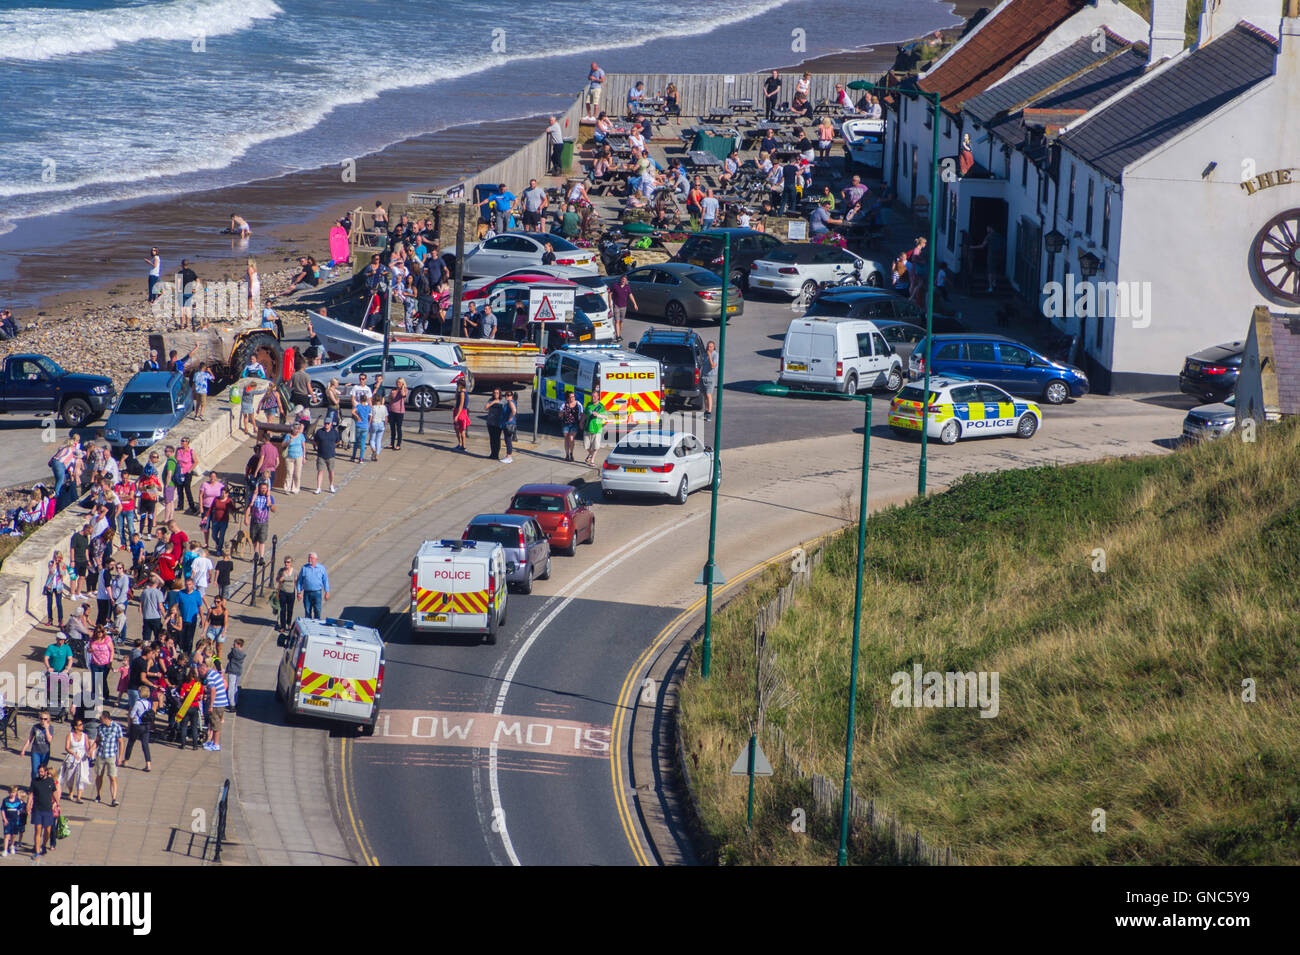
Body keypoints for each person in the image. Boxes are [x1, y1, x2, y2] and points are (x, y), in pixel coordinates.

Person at [91, 710, 124, 807]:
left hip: (111, 755)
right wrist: (91, 749)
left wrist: (120, 757)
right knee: (99, 776)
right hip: (100, 755)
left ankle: (114, 798)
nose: (100, 720)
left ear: (106, 718)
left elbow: (121, 742)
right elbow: (97, 741)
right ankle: (98, 795)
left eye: (101, 719)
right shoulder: (100, 727)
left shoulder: (116, 727)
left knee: (112, 777)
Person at [166, 576, 205, 653]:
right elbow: (176, 606)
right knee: (182, 639)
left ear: (193, 584)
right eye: (186, 584)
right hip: (182, 620)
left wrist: (202, 620)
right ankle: (183, 653)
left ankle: (188, 654)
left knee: (190, 639)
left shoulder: (197, 594)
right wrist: (172, 615)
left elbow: (200, 608)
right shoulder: (180, 593)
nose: (188, 586)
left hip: (192, 621)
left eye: (190, 584)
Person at [198, 660, 230, 752]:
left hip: (217, 703)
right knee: (213, 723)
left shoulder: (210, 677)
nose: (200, 675)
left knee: (216, 724)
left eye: (200, 672)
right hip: (222, 701)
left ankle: (216, 744)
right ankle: (212, 742)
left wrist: (211, 705)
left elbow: (213, 690)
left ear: (203, 669)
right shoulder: (213, 673)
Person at [28, 763, 58, 856]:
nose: (40, 773)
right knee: (38, 830)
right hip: (37, 809)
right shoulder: (35, 781)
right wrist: (28, 805)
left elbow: (54, 792)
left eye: (42, 771)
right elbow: (31, 794)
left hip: (48, 809)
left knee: (48, 830)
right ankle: (37, 851)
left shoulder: (50, 781)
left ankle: (44, 845)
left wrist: (57, 803)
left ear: (45, 772)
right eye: (39, 771)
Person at [244, 481, 276, 565]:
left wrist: (270, 504)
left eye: (265, 489)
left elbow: (274, 509)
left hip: (264, 521)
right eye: (262, 488)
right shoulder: (254, 497)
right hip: (254, 520)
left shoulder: (269, 497)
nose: (263, 490)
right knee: (254, 538)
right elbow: (249, 507)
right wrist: (246, 518)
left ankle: (262, 557)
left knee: (262, 539)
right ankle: (256, 553)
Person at [59, 718, 91, 803]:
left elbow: (87, 747)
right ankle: (71, 793)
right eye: (80, 725)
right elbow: (67, 747)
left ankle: (79, 797)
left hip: (82, 757)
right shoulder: (70, 735)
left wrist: (89, 753)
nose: (82, 726)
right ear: (75, 727)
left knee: (81, 776)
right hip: (72, 757)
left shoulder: (85, 736)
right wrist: (73, 753)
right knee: (70, 776)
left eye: (82, 724)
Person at [123, 690, 153, 772]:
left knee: (131, 742)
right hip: (146, 725)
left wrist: (130, 723)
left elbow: (132, 714)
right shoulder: (149, 703)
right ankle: (148, 764)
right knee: (145, 744)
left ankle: (126, 760)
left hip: (137, 724)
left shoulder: (138, 703)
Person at [21, 710, 55, 782]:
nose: (43, 720)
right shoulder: (35, 727)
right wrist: (23, 749)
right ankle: (33, 786)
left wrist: (46, 728)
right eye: (41, 718)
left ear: (48, 720)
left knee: (43, 771)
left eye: (45, 719)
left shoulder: (50, 728)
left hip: (45, 752)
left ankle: (41, 785)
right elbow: (30, 739)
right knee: (35, 771)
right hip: (35, 751)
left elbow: (49, 740)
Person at [970, 223, 1005, 292]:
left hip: (991, 255)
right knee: (995, 269)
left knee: (990, 271)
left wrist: (972, 247)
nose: (987, 229)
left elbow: (982, 246)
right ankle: (994, 282)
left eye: (987, 228)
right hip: (998, 255)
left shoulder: (989, 236)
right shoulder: (999, 236)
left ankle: (990, 287)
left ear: (991, 228)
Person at [296, 552, 330, 620]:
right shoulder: (304, 568)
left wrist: (327, 592)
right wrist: (299, 592)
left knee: (317, 610)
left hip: (317, 592)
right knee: (307, 610)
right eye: (309, 558)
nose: (309, 559)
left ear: (316, 559)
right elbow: (300, 581)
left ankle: (316, 624)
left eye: (311, 558)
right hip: (307, 593)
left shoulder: (321, 568)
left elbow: (325, 580)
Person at [350, 373, 373, 463]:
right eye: (360, 379)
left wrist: (371, 408)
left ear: (366, 379)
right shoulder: (355, 387)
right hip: (360, 414)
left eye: (363, 379)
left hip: (361, 414)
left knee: (358, 440)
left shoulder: (367, 389)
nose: (361, 380)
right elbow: (352, 398)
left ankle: (354, 456)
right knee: (361, 440)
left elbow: (370, 400)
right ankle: (360, 458)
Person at [312, 417, 339, 494]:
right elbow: (315, 442)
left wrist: (332, 447)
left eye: (328, 423)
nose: (326, 425)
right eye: (325, 423)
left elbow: (337, 442)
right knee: (320, 471)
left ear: (331, 424)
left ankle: (331, 485)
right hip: (321, 455)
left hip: (331, 455)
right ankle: (318, 488)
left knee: (331, 471)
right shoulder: (319, 432)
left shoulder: (334, 432)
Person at [43, 551, 70, 628]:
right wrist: (54, 563)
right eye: (56, 558)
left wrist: (60, 565)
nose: (57, 559)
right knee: (49, 603)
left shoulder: (63, 565)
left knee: (59, 604)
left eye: (59, 558)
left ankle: (60, 620)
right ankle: (50, 619)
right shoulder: (51, 563)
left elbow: (63, 574)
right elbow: (52, 572)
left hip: (58, 586)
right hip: (50, 586)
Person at [582, 393, 608, 467]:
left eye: (595, 396)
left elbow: (606, 417)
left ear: (598, 397)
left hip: (597, 429)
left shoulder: (601, 406)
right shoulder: (588, 405)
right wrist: (581, 422)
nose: (593, 398)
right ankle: (590, 454)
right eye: (592, 396)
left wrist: (598, 415)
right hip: (587, 428)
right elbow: (585, 414)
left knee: (595, 446)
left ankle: (592, 460)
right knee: (586, 446)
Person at [608, 274, 637, 342]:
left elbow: (630, 295)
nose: (623, 280)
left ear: (626, 280)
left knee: (621, 322)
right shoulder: (615, 286)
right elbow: (610, 294)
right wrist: (610, 303)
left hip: (624, 307)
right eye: (622, 279)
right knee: (617, 321)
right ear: (620, 279)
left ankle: (619, 334)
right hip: (616, 306)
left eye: (625, 279)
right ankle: (618, 336)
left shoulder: (627, 287)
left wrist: (635, 304)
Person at [283, 422, 306, 493]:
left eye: (298, 429)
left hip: (299, 456)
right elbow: (283, 444)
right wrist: (288, 442)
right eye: (296, 429)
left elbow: (303, 447)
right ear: (293, 429)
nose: (297, 430)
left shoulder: (301, 436)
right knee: (289, 472)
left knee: (297, 473)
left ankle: (296, 488)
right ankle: (287, 488)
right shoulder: (288, 436)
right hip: (289, 456)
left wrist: (304, 457)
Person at [275, 556, 296, 632]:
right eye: (285, 562)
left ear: (291, 563)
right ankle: (283, 626)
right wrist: (279, 579)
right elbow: (277, 579)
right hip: (283, 592)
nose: (286, 564)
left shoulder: (294, 572)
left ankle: (289, 623)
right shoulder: (281, 571)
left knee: (290, 609)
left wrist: (299, 592)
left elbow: (296, 582)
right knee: (283, 610)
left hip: (291, 592)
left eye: (288, 562)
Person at [387, 377, 408, 450]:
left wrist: (402, 388)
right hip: (392, 410)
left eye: (399, 382)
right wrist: (391, 395)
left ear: (402, 383)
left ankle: (398, 444)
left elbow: (403, 395)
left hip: (399, 411)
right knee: (392, 428)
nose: (397, 384)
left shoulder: (405, 390)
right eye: (397, 382)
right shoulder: (394, 389)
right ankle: (392, 443)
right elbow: (389, 399)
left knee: (399, 428)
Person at [2, 787, 23, 856]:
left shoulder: (18, 801)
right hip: (8, 820)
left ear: (16, 793)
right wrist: (4, 819)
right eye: (11, 793)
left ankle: (11, 845)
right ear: (9, 792)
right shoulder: (5, 800)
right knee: (6, 835)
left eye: (14, 792)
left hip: (15, 820)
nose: (12, 794)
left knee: (13, 835)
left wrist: (19, 812)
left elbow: (20, 808)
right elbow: (2, 810)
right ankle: (5, 850)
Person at [225, 638, 246, 707]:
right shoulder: (243, 654)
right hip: (238, 671)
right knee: (235, 687)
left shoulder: (234, 651)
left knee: (231, 687)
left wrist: (232, 650)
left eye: (235, 644)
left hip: (232, 670)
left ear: (239, 645)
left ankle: (231, 703)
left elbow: (228, 656)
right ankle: (235, 702)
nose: (233, 645)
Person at [452, 380, 470, 452]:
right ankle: (459, 443)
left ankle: (464, 445)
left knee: (461, 429)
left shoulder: (463, 393)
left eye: (458, 385)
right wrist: (457, 390)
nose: (457, 386)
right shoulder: (460, 392)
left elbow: (461, 405)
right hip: (457, 410)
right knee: (456, 428)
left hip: (461, 412)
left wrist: (457, 415)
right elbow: (456, 398)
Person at [702, 341, 719, 421]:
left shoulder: (715, 355)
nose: (709, 348)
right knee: (705, 395)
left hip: (711, 377)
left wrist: (709, 356)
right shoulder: (705, 354)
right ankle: (706, 410)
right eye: (708, 346)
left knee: (709, 395)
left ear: (714, 347)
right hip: (704, 376)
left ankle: (709, 412)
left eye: (711, 347)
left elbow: (713, 366)